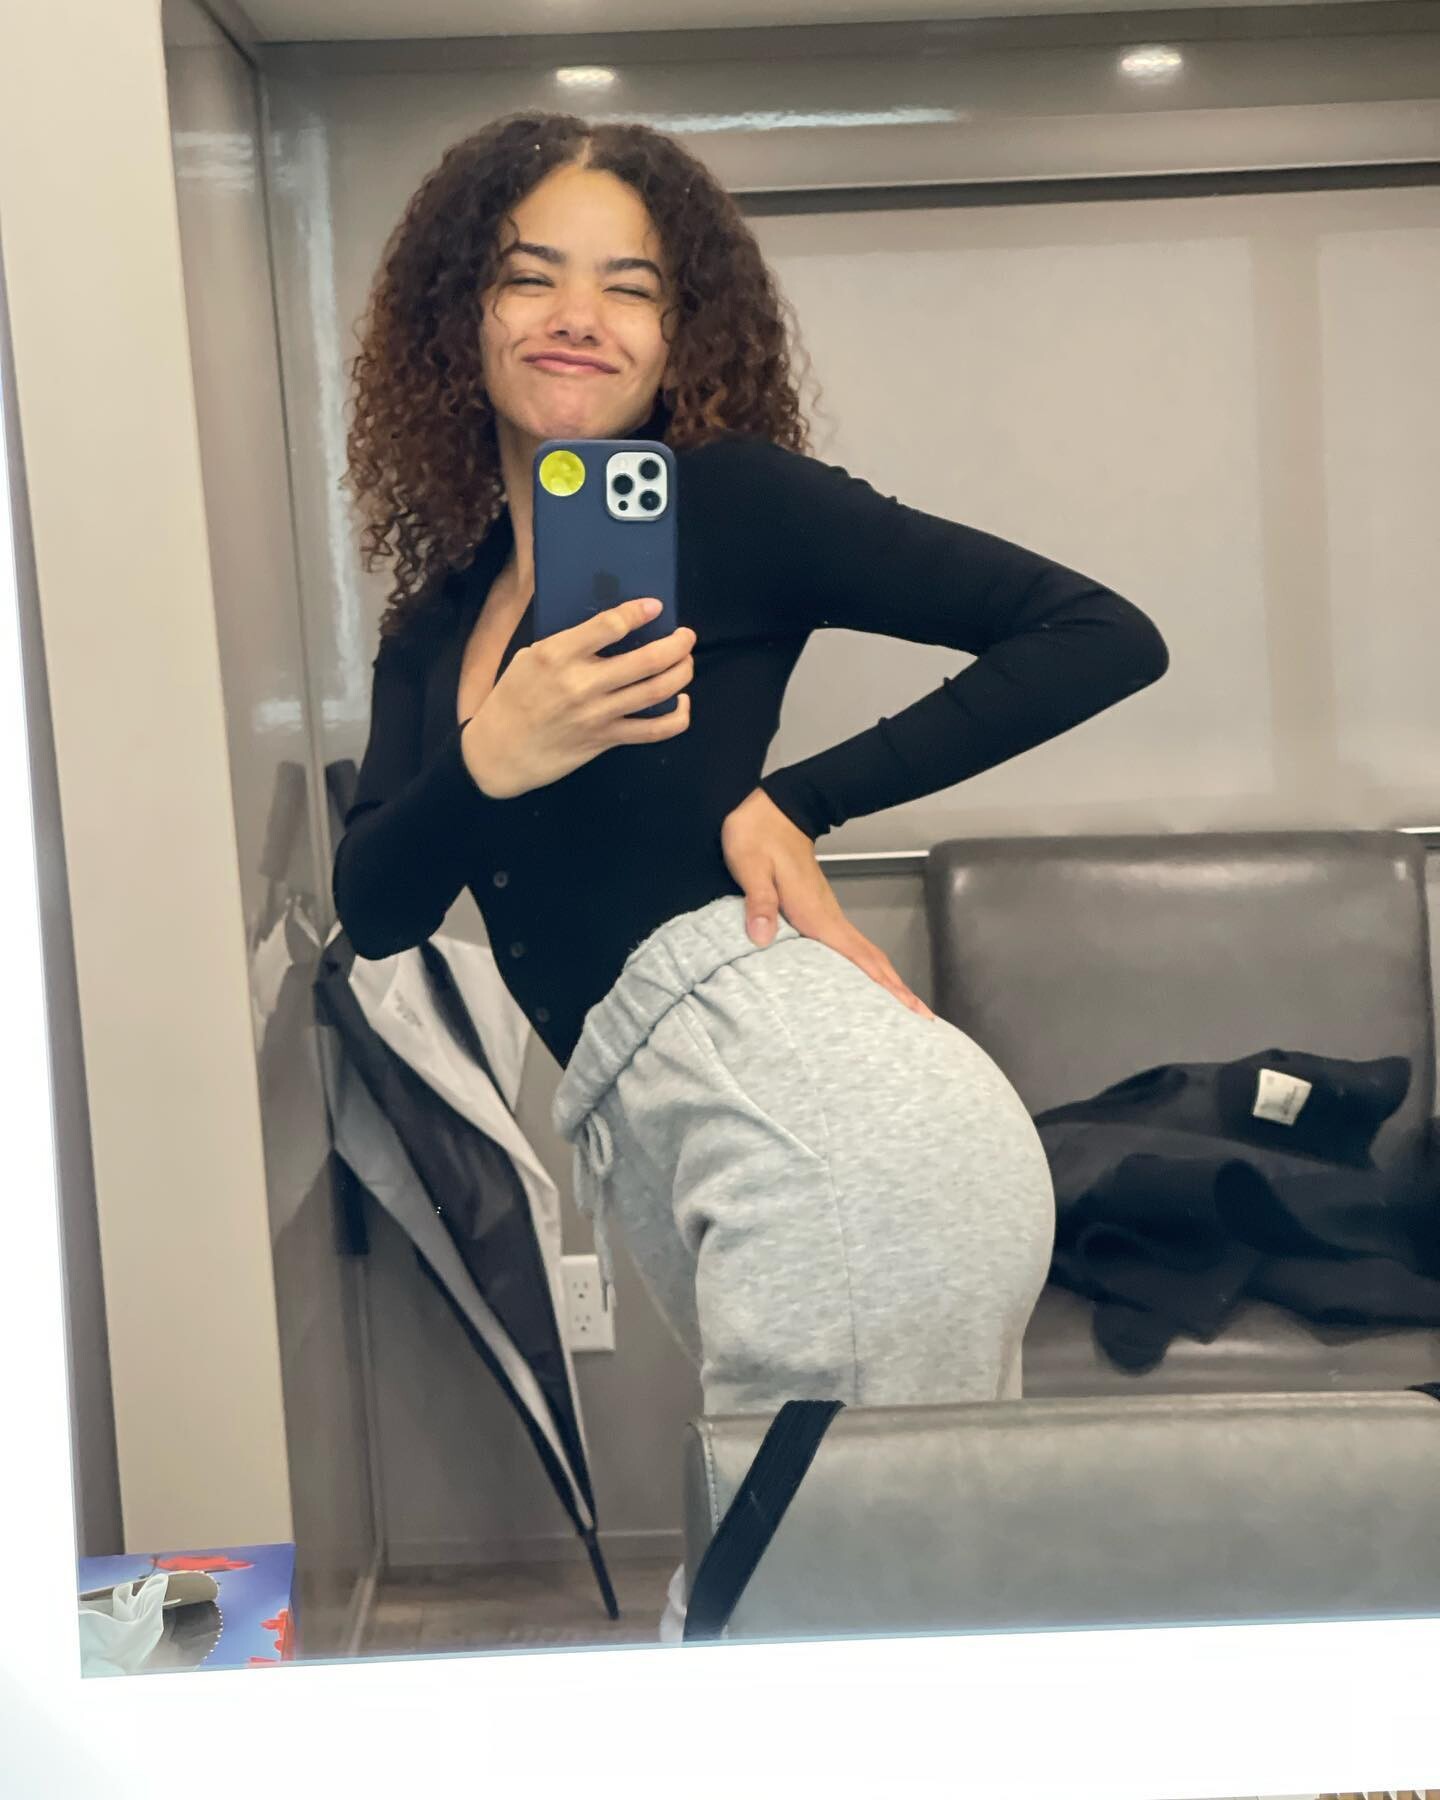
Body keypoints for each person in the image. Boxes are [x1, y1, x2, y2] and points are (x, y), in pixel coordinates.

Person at [335, 112, 1169, 1638]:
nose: (580, 315)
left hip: (835, 1128)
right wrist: (494, 752)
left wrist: (796, 798)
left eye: (631, 286)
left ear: (679, 334)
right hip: (695, 1125)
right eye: (530, 274)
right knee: (864, 1631)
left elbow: (1100, 634)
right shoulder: (437, 624)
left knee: (788, 1633)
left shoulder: (730, 506)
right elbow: (376, 907)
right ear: (462, 315)